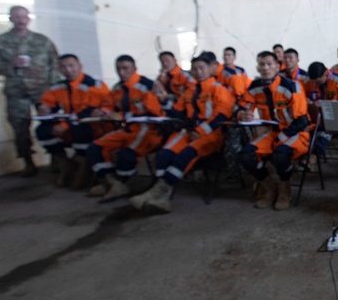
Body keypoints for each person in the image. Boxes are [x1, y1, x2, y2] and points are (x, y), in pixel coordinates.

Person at [130, 53, 235, 213]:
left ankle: (158, 192)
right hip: (188, 131)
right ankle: (162, 197)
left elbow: (221, 116)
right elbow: (177, 113)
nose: (198, 72)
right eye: (195, 69)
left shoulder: (219, 90)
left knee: (185, 155)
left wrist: (200, 132)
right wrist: (164, 101)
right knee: (164, 154)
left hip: (210, 135)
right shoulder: (190, 91)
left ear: (210, 69)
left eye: (202, 68)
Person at [85, 55, 165, 200]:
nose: (121, 72)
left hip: (148, 130)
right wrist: (103, 111)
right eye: (118, 69)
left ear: (135, 69)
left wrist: (121, 115)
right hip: (127, 129)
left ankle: (123, 183)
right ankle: (111, 181)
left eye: (125, 68)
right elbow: (109, 104)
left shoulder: (147, 85)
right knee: (95, 148)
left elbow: (153, 112)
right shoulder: (117, 88)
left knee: (126, 154)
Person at [239, 51, 310, 210]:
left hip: (296, 133)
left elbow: (302, 121)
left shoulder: (292, 86)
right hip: (273, 132)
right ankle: (270, 188)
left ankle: (285, 190)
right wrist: (243, 114)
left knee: (280, 154)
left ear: (278, 66)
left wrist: (283, 137)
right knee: (246, 155)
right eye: (262, 64)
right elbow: (244, 105)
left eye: (269, 64)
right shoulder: (254, 86)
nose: (265, 68)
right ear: (257, 67)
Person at [35, 54, 113, 188]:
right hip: (70, 125)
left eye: (71, 66)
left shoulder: (94, 85)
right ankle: (65, 163)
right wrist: (44, 108)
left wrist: (65, 125)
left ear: (80, 66)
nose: (68, 70)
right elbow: (47, 102)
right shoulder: (57, 87)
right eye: (63, 67)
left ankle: (84, 165)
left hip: (91, 126)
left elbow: (88, 112)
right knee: (42, 130)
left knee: (81, 130)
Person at [0, 6, 60, 176]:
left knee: (50, 123)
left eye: (24, 17)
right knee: (19, 127)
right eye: (17, 17)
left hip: (42, 90)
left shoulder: (42, 41)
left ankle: (57, 159)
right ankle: (28, 162)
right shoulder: (1, 41)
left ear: (29, 19)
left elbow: (55, 64)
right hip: (16, 92)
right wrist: (10, 65)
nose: (21, 20)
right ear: (10, 18)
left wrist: (54, 89)